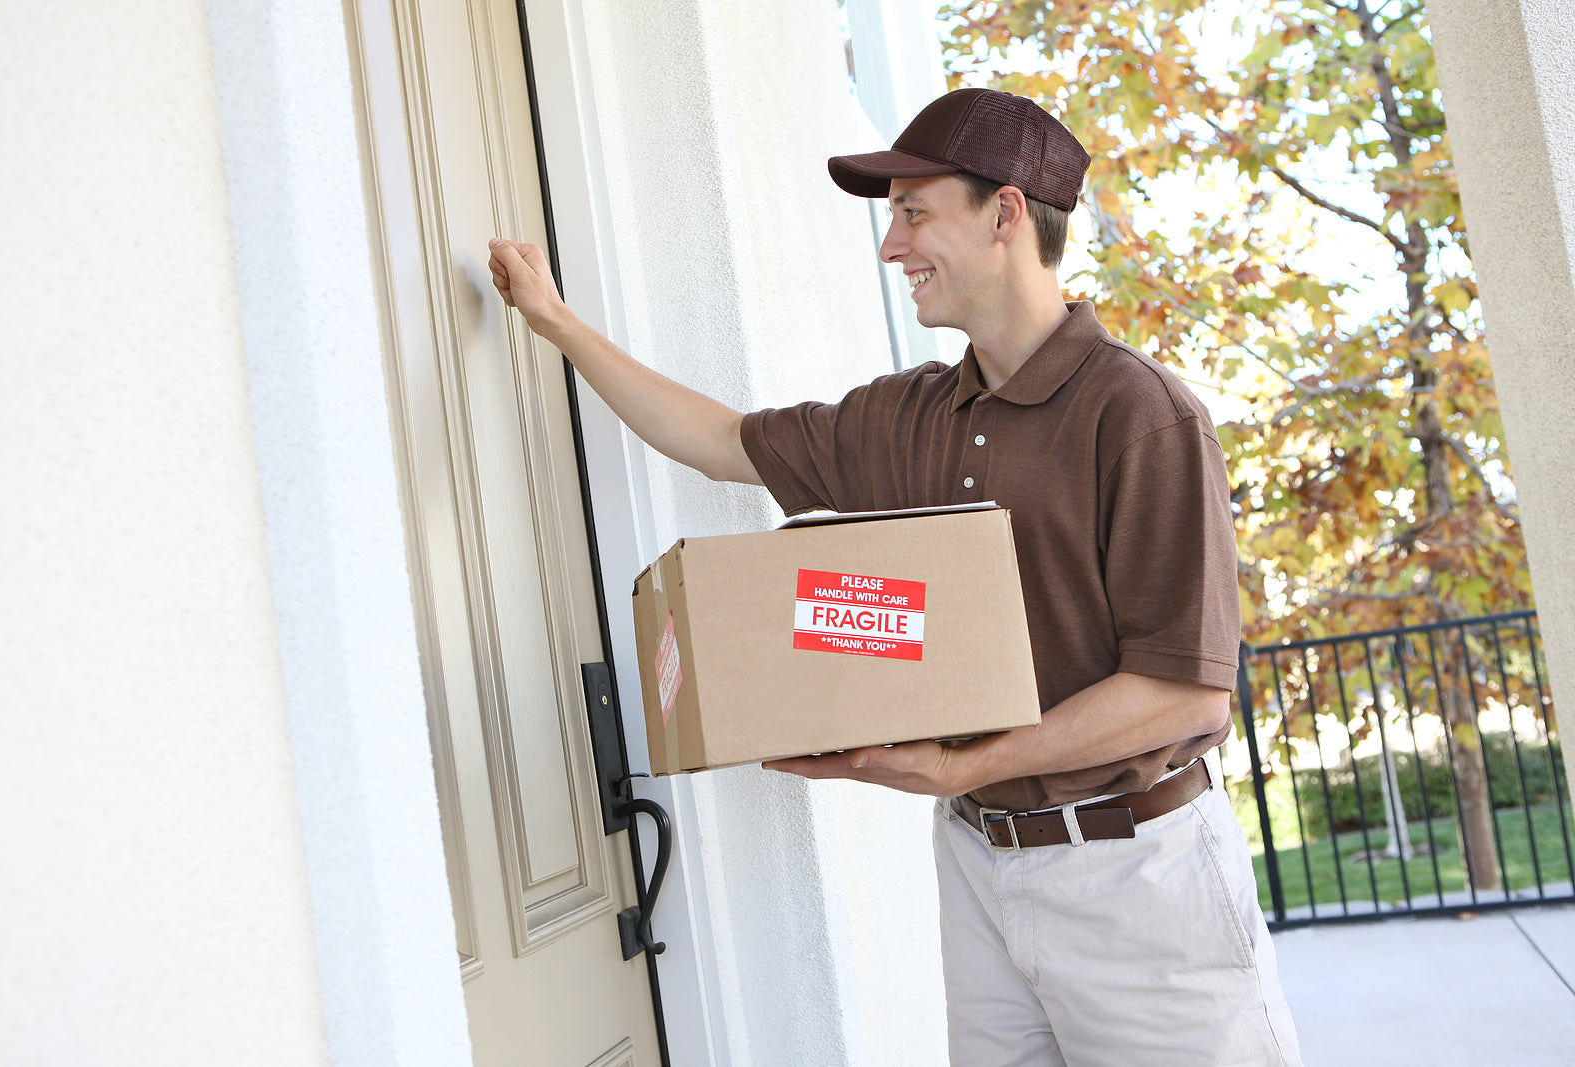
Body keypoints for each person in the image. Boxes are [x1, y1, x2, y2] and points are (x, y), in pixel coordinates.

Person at [489, 87, 1301, 1067]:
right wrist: (555, 322)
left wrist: (966, 763)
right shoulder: (910, 414)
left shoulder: (1138, 413)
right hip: (978, 862)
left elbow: (1182, 688)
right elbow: (714, 441)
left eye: (914, 212)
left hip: (1138, 874)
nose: (890, 245)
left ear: (1004, 214)